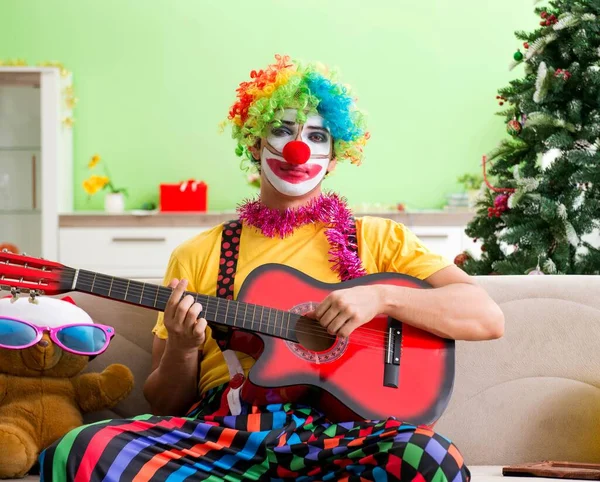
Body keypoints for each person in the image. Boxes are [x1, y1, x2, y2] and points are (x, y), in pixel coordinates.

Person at [39, 54, 504, 481]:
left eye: (317, 136)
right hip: (223, 438)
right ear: (255, 141)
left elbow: (486, 316)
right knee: (82, 448)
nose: (299, 149)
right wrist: (182, 348)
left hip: (339, 440)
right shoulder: (200, 253)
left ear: (335, 155)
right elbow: (164, 402)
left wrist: (381, 296)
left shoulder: (379, 239)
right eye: (283, 130)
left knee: (433, 458)